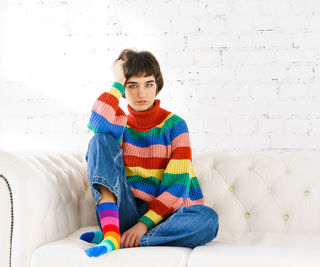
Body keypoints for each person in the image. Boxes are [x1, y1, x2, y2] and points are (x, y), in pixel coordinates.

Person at [80, 48, 219, 257]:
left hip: (166, 216)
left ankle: (126, 238)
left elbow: (177, 185)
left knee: (208, 220)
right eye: (132, 85)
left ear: (157, 86)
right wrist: (117, 81)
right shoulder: (119, 123)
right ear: (125, 90)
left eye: (148, 84)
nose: (141, 93)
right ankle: (111, 233)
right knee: (99, 139)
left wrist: (143, 225)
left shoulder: (175, 125)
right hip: (126, 209)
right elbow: (96, 123)